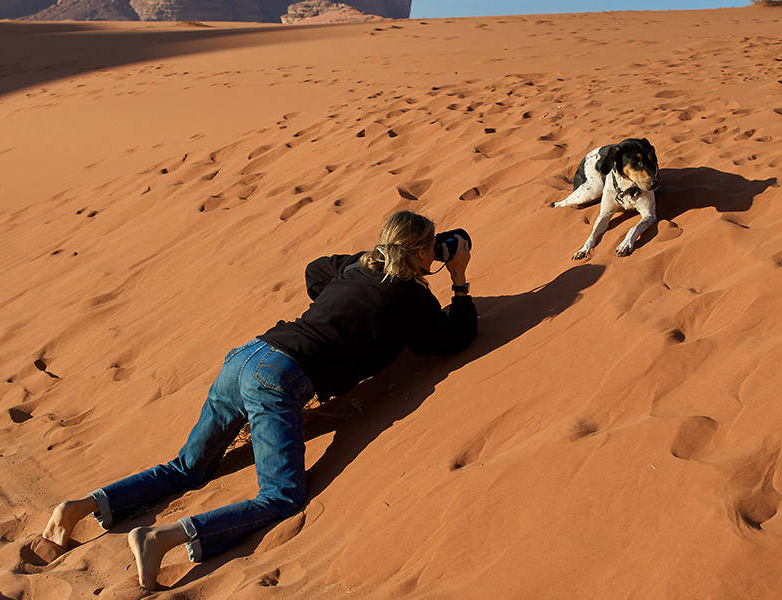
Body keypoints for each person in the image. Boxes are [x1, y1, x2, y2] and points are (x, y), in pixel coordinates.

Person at [38, 210, 476, 589]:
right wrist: (457, 280)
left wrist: (350, 294)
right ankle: (163, 538)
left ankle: (79, 507)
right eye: (432, 248)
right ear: (421, 254)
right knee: (282, 496)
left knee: (186, 467)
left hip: (247, 355)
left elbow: (313, 271)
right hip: (280, 379)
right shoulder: (413, 300)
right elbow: (455, 339)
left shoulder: (356, 268)